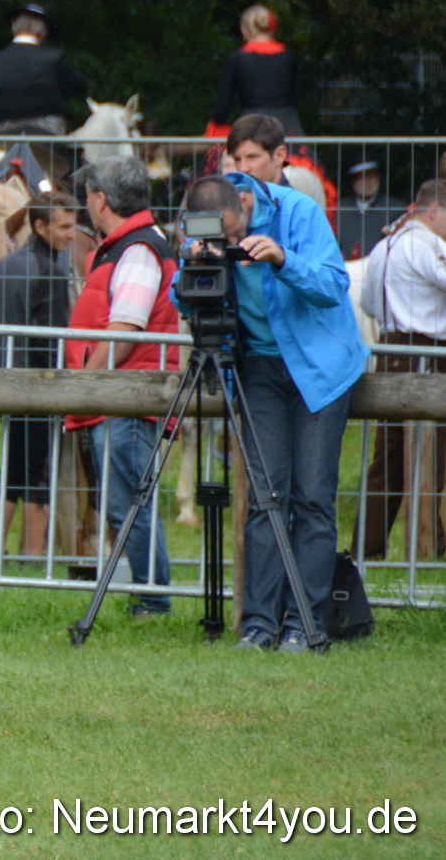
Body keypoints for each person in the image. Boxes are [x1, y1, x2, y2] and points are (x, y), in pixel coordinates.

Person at [180, 172, 368, 651]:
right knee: (266, 495)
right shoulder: (205, 226)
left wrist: (283, 259)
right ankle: (260, 623)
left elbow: (333, 284)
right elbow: (181, 295)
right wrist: (194, 265)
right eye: (218, 238)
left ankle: (305, 623)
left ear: (245, 203)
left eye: (232, 233)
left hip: (318, 368)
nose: (230, 242)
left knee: (311, 496)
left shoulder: (297, 212)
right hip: (259, 366)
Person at [64, 156, 178, 615]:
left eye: (88, 195)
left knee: (129, 506)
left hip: (123, 398)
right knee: (127, 505)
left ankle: (152, 603)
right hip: (119, 397)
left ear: (101, 199)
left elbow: (124, 330)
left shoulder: (136, 249)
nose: (86, 204)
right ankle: (149, 599)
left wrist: (91, 381)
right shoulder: (129, 246)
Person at [354, 179, 446, 560]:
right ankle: (431, 545)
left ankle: (367, 545)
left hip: (392, 348)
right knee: (433, 452)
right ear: (435, 211)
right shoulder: (427, 245)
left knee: (388, 458)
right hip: (427, 351)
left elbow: (370, 303)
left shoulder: (384, 244)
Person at [0, 190, 78, 556]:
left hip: (7, 381)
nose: (72, 235)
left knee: (11, 465)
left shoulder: (8, 263)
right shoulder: (51, 273)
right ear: (40, 226)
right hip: (40, 386)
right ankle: (34, 556)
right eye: (64, 227)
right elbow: (50, 340)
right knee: (39, 471)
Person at [0, 5, 89, 136]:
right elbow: (80, 87)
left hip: (4, 130)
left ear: (14, 28)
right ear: (43, 32)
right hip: (49, 130)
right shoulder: (53, 58)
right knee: (77, 156)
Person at [210, 4, 303, 138]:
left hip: (251, 126)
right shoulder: (289, 57)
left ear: (243, 30)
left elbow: (223, 105)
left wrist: (217, 127)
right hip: (287, 126)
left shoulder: (237, 58)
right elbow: (296, 96)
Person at [338, 159, 405, 262]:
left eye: (371, 176)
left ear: (379, 178)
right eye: (361, 177)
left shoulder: (396, 209)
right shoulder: (338, 209)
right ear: (353, 181)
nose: (367, 182)